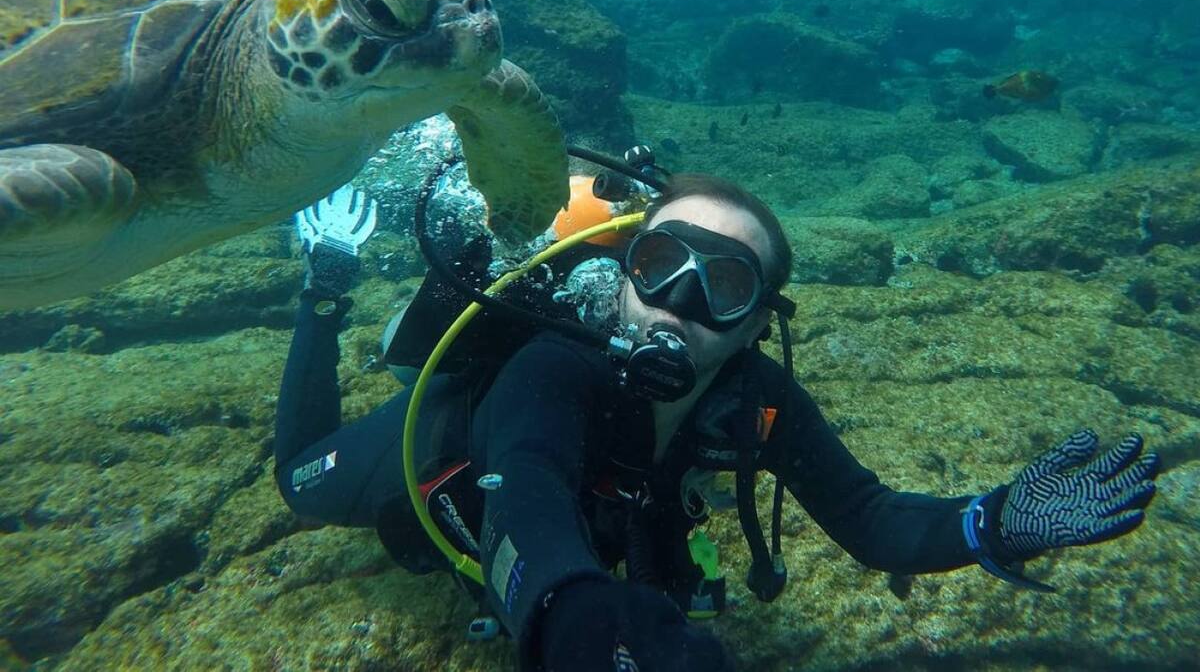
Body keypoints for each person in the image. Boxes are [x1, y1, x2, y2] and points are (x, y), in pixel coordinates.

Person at [274, 167, 1161, 672]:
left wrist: (994, 520)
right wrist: (579, 621)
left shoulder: (755, 397)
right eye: (660, 263)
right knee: (298, 483)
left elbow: (871, 516)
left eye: (724, 283)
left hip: (593, 499)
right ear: (623, 274)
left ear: (754, 320)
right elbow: (528, 501)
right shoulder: (553, 368)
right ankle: (324, 287)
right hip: (451, 446)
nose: (677, 305)